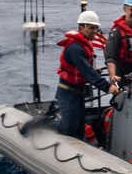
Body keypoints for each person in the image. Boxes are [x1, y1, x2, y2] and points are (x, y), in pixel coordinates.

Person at [20, 10, 121, 138]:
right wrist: (108, 87)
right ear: (82, 27)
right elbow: (87, 71)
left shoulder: (84, 45)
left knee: (78, 129)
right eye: (91, 28)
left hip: (78, 93)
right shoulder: (74, 48)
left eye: (96, 28)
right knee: (66, 129)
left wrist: (95, 72)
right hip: (67, 92)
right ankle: (39, 122)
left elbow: (83, 69)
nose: (95, 31)